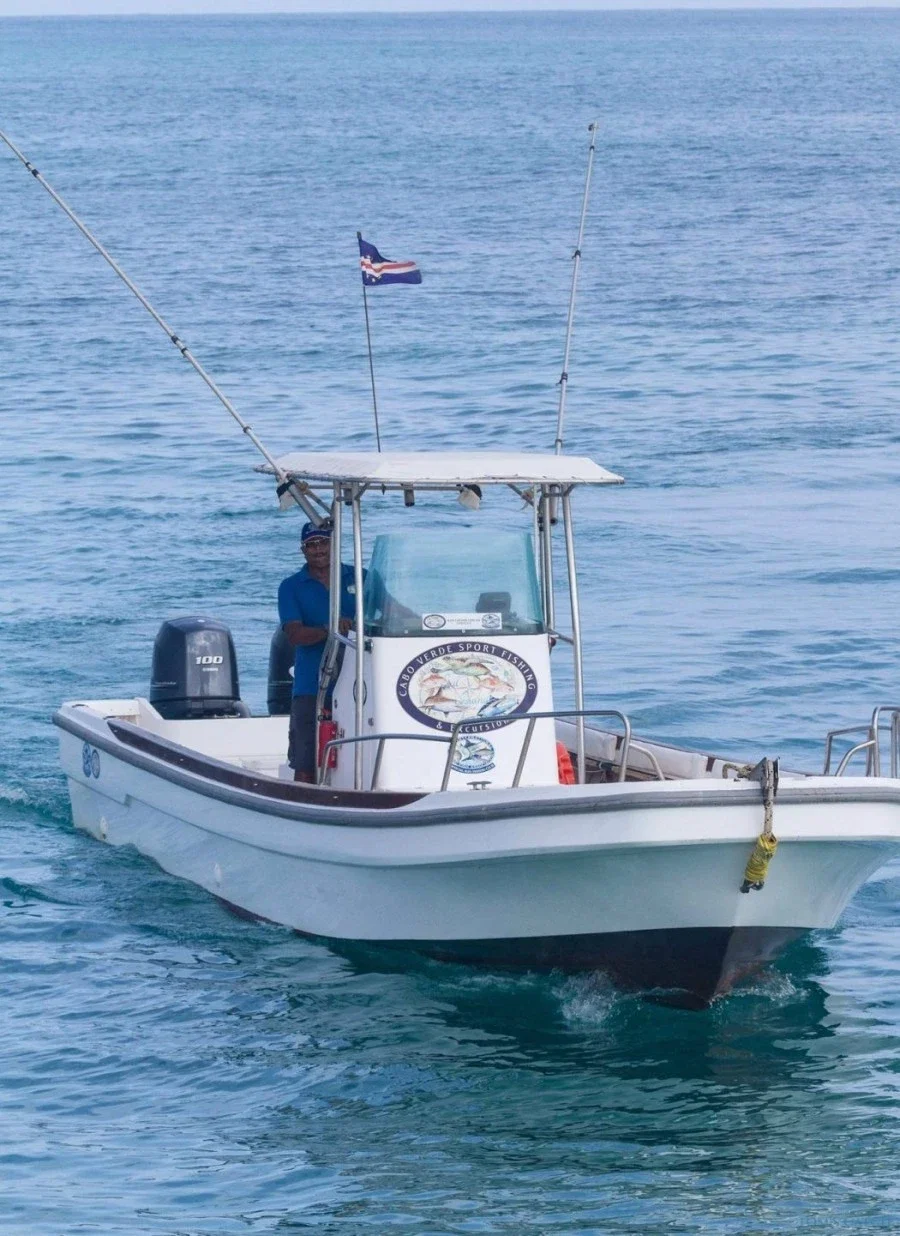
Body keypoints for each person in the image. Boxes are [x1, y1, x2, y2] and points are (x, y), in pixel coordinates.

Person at [278, 521, 357, 783]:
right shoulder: (291, 586)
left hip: (358, 686)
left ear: (334, 544)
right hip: (311, 687)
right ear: (303, 550)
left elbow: (389, 613)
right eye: (311, 544)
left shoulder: (361, 577)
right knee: (306, 762)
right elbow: (294, 634)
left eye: (323, 542)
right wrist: (331, 629)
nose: (319, 549)